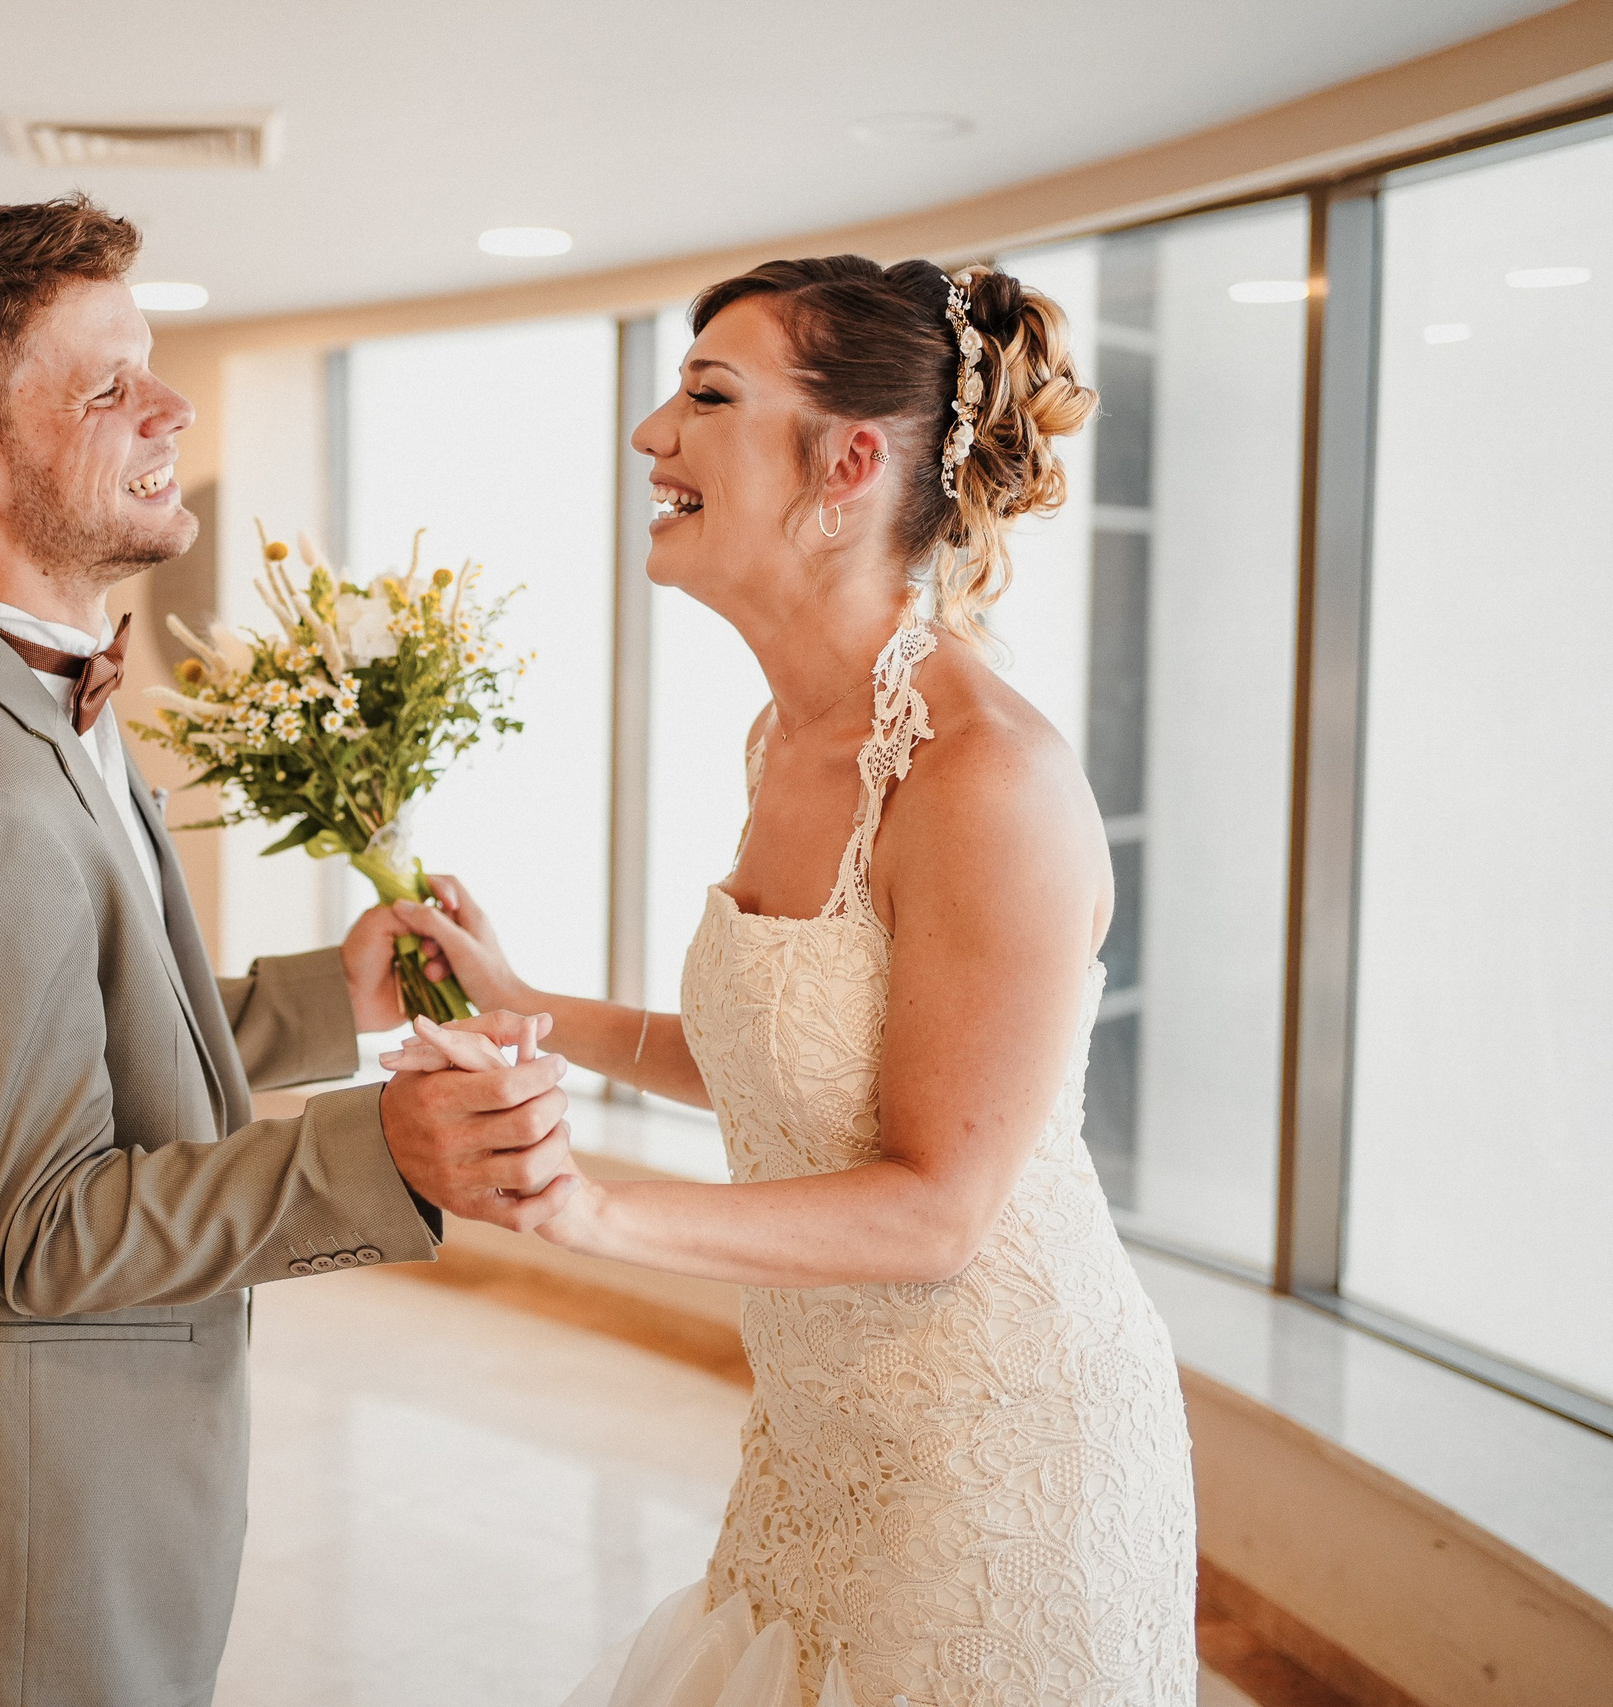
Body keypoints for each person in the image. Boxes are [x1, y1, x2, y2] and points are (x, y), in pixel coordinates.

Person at [0, 195, 578, 1707]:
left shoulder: (37, 692)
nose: (176, 406)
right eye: (107, 387)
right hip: (44, 1500)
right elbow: (54, 1227)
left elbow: (65, 1025)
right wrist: (386, 1157)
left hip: (109, 1441)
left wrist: (318, 1005)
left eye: (152, 364)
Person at [383, 256, 1199, 1706]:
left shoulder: (986, 779)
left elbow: (938, 1206)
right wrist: (520, 999)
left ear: (851, 462)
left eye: (707, 396)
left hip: (997, 1458)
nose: (652, 434)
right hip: (821, 1446)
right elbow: (790, 1061)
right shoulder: (792, 736)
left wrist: (592, 1209)